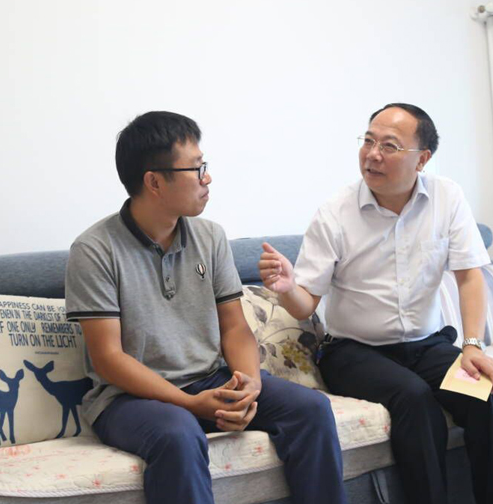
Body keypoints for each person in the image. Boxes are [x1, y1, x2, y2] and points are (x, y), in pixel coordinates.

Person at [65, 111, 347, 504]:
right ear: (154, 182)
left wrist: (249, 385)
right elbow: (108, 358)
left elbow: (234, 328)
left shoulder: (210, 237)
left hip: (211, 379)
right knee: (178, 433)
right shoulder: (94, 250)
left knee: (311, 409)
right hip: (129, 399)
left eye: (205, 166)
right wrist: (189, 404)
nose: (207, 178)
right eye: (196, 169)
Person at [258, 103, 493, 504]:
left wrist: (472, 346)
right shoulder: (335, 212)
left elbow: (469, 276)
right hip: (353, 353)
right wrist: (289, 287)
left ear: (422, 159)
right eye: (368, 141)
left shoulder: (447, 197)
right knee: (414, 399)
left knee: (487, 395)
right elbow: (304, 306)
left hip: (426, 346)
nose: (373, 154)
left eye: (389, 146)